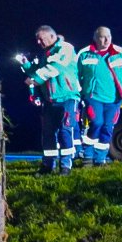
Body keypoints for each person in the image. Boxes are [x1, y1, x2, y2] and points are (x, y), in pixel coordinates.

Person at [26, 25, 81, 174]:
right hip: (49, 100)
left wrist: (35, 79)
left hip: (68, 97)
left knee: (65, 130)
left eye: (41, 38)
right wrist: (27, 66)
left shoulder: (65, 48)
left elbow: (55, 67)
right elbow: (38, 72)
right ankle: (47, 166)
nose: (38, 42)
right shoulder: (45, 54)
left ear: (51, 36)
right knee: (48, 133)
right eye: (37, 39)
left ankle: (66, 166)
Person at [76, 26, 122, 166]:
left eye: (109, 36)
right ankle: (88, 156)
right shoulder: (84, 53)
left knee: (108, 127)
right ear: (95, 38)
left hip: (114, 99)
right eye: (102, 36)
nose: (107, 39)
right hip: (93, 97)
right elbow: (75, 74)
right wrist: (81, 92)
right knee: (96, 123)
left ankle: (100, 158)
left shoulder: (120, 53)